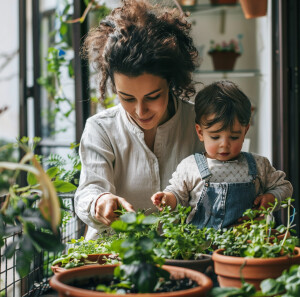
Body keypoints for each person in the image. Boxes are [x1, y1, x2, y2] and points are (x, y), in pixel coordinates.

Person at [74, 0, 205, 240]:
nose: (140, 110)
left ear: (171, 81)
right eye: (127, 98)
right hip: (113, 259)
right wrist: (99, 202)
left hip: (184, 258)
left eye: (152, 96)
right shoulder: (101, 128)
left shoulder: (200, 123)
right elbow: (89, 190)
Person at [151, 80, 293, 229]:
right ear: (200, 132)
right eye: (215, 137)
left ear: (245, 131)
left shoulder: (259, 165)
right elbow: (178, 195)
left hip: (245, 245)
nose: (224, 144)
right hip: (202, 246)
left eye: (234, 137)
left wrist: (272, 197)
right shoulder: (190, 166)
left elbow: (284, 187)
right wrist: (167, 199)